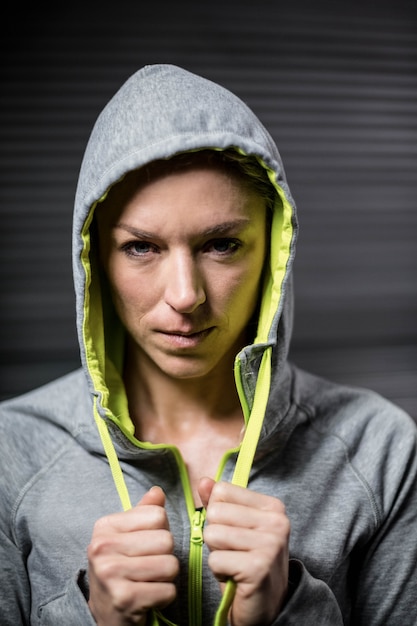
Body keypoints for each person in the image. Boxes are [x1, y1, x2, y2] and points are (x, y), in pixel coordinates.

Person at [0, 64, 416, 626]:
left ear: (273, 252)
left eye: (221, 244)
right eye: (142, 248)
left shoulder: (383, 451)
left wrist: (290, 607)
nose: (185, 295)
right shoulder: (11, 453)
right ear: (94, 259)